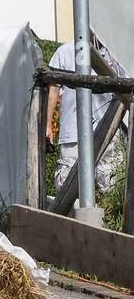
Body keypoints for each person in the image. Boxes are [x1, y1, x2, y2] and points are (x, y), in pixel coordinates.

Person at [46, 42, 122, 196]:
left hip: (108, 130)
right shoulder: (65, 51)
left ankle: (105, 219)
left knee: (110, 183)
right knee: (67, 184)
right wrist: (48, 125)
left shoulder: (115, 52)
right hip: (73, 130)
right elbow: (53, 89)